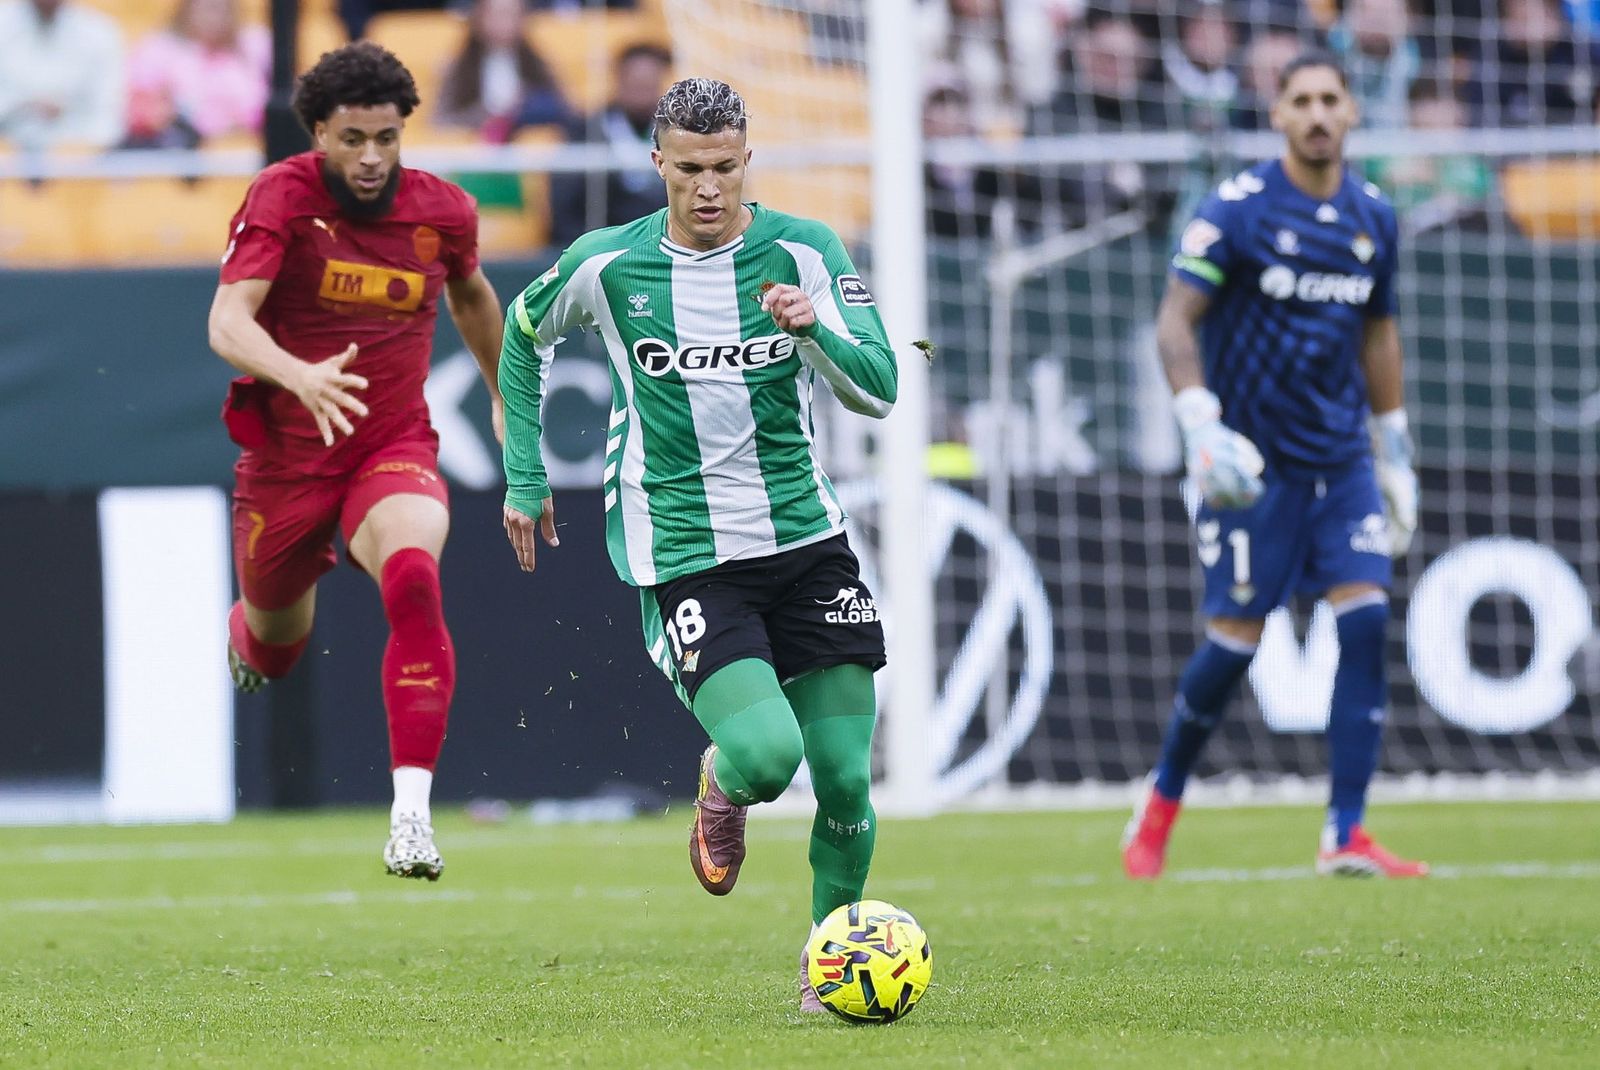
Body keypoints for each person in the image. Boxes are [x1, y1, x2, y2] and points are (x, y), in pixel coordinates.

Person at [498, 78, 898, 1010]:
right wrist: (525, 476)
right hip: (686, 550)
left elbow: (879, 386)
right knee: (768, 758)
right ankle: (722, 782)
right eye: (690, 170)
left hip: (806, 541)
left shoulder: (806, 250)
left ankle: (826, 966)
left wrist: (815, 332)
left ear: (747, 160)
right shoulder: (609, 266)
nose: (709, 188)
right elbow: (523, 336)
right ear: (658, 166)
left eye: (725, 168)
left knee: (843, 778)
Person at [1121, 52, 1427, 881]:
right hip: (1249, 469)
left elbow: (1378, 333)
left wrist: (1391, 445)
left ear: (1352, 114)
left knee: (1365, 620)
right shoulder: (1236, 212)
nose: (1319, 113)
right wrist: (1200, 424)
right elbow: (1175, 325)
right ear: (1278, 115)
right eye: (1303, 100)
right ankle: (1159, 805)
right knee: (1233, 648)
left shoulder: (1374, 216)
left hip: (1341, 463)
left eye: (1332, 99)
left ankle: (1347, 831)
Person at [207, 41, 506, 881]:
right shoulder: (281, 196)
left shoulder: (442, 211)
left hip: (391, 442)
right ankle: (247, 633)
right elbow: (227, 321)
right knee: (276, 643)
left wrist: (502, 393)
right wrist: (299, 375)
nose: (371, 157)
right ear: (317, 135)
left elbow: (473, 293)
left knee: (413, 577)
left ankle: (410, 818)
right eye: (351, 139)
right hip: (286, 461)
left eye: (386, 137)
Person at [548, 42, 672, 247]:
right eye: (635, 84)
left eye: (649, 84)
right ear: (619, 80)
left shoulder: (676, 133)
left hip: (663, 243)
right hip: (605, 243)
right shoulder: (586, 131)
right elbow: (567, 201)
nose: (642, 92)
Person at [125, 0, 271, 145]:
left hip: (251, 148)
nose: (213, 15)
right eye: (206, 7)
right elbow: (142, 112)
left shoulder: (256, 43)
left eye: (219, 6)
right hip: (183, 152)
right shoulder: (158, 49)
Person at [435, 0, 572, 143]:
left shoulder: (540, 64)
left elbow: (566, 113)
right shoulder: (458, 66)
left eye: (512, 14)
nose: (504, 22)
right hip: (474, 154)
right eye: (497, 14)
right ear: (479, 17)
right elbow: (441, 122)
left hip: (529, 155)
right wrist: (485, 116)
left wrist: (525, 108)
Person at [0, 0, 124, 150]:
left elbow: (107, 118)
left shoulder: (100, 33)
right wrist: (23, 106)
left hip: (79, 162)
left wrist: (80, 149)